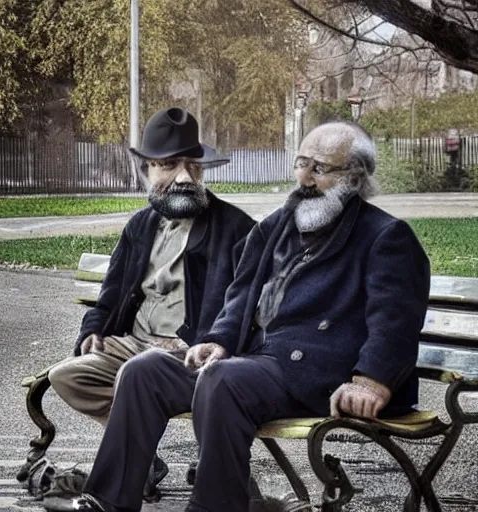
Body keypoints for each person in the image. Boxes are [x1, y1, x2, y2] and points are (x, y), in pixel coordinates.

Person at [74, 121, 431, 512]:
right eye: (301, 164)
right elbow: (240, 296)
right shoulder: (276, 226)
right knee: (145, 370)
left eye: (321, 168)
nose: (305, 178)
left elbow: (395, 321)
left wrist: (371, 381)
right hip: (259, 365)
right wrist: (219, 340)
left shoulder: (385, 236)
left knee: (224, 379)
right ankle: (108, 502)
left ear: (355, 177)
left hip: (323, 375)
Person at [47, 107, 255, 492]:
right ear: (146, 169)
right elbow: (111, 291)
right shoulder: (140, 226)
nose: (183, 177)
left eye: (193, 166)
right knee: (67, 376)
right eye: (170, 165)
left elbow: (246, 307)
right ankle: (142, 457)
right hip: (133, 344)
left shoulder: (236, 230)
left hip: (189, 352)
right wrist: (94, 329)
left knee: (138, 373)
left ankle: (129, 464)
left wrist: (203, 340)